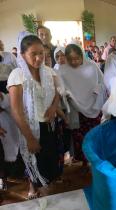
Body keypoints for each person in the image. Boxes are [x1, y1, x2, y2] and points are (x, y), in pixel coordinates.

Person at [7, 32, 60, 199]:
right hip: (30, 128)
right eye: (33, 54)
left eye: (41, 53)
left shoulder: (49, 72)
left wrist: (53, 107)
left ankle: (46, 188)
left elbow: (57, 92)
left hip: (49, 124)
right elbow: (16, 110)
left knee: (49, 160)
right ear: (22, 55)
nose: (38, 58)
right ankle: (36, 188)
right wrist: (29, 137)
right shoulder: (18, 75)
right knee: (34, 162)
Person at [59, 43, 107, 167]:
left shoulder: (92, 66)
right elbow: (61, 87)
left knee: (95, 134)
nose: (74, 62)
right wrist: (65, 93)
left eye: (77, 58)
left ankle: (97, 159)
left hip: (93, 104)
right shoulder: (63, 70)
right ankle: (86, 161)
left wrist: (98, 89)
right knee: (80, 137)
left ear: (82, 56)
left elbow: (102, 81)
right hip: (77, 109)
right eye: (71, 59)